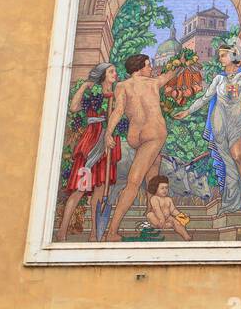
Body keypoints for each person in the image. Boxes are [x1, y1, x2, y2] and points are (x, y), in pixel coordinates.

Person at [174, 37, 241, 212]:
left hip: (239, 119)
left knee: (238, 155)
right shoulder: (218, 79)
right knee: (228, 163)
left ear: (234, 56)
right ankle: (232, 202)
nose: (220, 59)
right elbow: (205, 98)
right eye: (220, 55)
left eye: (223, 55)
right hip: (220, 122)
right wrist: (187, 111)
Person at [102, 53, 180, 241]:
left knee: (134, 180)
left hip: (148, 137)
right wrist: (181, 62)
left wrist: (108, 133)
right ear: (138, 68)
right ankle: (113, 232)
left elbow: (119, 110)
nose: (150, 68)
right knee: (143, 179)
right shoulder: (153, 83)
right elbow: (171, 73)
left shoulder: (122, 86)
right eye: (147, 65)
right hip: (149, 135)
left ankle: (113, 230)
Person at [57, 62, 122, 241]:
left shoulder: (117, 94)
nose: (115, 74)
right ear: (102, 75)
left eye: (115, 71)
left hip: (108, 144)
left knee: (99, 192)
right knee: (79, 189)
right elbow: (73, 107)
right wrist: (85, 85)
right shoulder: (94, 94)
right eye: (111, 71)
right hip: (93, 141)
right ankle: (62, 232)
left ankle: (94, 233)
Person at [144, 174, 191, 241]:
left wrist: (181, 216)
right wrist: (162, 219)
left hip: (167, 217)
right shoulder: (154, 198)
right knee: (150, 215)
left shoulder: (168, 199)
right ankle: (162, 225)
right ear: (155, 188)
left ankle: (186, 236)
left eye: (166, 188)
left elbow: (173, 210)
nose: (165, 190)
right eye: (162, 188)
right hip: (157, 217)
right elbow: (157, 210)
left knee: (177, 222)